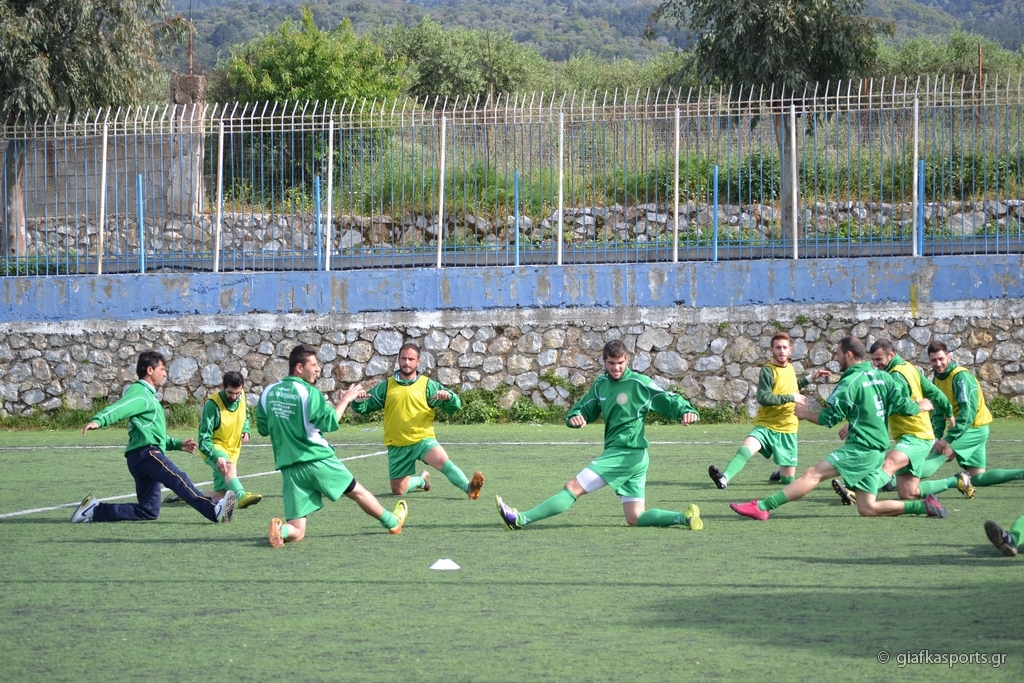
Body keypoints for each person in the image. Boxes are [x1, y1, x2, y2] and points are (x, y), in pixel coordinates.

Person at [730, 336, 948, 521]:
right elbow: (903, 406)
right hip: (877, 450)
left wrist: (804, 414)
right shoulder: (883, 377)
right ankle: (923, 506)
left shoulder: (849, 382)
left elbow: (829, 418)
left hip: (860, 449)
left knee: (813, 474)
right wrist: (920, 406)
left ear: (849, 355)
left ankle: (762, 506)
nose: (835, 358)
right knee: (867, 508)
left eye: (838, 354)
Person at [496, 339, 703, 531]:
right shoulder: (601, 384)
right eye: (611, 363)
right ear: (604, 361)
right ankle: (684, 518)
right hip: (632, 456)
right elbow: (583, 409)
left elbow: (668, 398)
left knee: (573, 487)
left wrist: (687, 411)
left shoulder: (639, 383)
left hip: (625, 453)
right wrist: (575, 417)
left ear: (627, 360)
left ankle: (520, 519)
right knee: (635, 517)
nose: (616, 367)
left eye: (620, 363)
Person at [258, 344, 408, 547]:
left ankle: (281, 530)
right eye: (313, 364)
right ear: (299, 368)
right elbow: (330, 422)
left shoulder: (268, 392)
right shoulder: (308, 392)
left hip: (290, 468)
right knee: (358, 492)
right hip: (317, 459)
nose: (318, 369)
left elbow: (263, 429)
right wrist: (346, 399)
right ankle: (392, 522)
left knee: (297, 531)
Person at [72, 351, 236, 524]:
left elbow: (152, 434)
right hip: (147, 455)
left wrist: (177, 444)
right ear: (150, 370)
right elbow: (121, 407)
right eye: (162, 369)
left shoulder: (148, 396)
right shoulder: (141, 392)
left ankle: (94, 510)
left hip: (139, 457)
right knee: (178, 478)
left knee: (149, 510)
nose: (165, 373)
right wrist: (99, 420)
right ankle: (213, 510)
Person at [834, 339, 966, 505]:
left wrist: (856, 422)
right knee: (908, 493)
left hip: (916, 436)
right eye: (873, 360)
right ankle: (957, 481)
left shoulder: (895, 376)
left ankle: (854, 491)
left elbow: (890, 405)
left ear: (891, 355)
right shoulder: (908, 367)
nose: (875, 364)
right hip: (914, 435)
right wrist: (949, 411)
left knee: (888, 464)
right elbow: (933, 391)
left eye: (879, 359)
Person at [350, 342, 483, 499]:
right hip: (397, 444)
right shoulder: (386, 386)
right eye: (403, 358)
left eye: (411, 359)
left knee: (443, 461)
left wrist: (449, 398)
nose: (407, 362)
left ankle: (468, 487)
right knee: (398, 490)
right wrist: (358, 401)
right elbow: (363, 408)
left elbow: (455, 406)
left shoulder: (428, 385)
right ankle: (421, 480)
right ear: (398, 360)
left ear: (418, 362)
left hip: (422, 440)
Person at [708, 332, 829, 489]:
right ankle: (724, 478)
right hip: (766, 425)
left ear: (790, 350)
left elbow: (791, 387)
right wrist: (791, 398)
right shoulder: (768, 370)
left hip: (788, 428)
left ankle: (780, 473)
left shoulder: (790, 368)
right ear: (771, 350)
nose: (781, 351)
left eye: (784, 347)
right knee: (746, 448)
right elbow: (764, 398)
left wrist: (811, 377)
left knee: (788, 481)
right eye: (778, 348)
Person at [927, 340, 1024, 491]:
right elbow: (938, 412)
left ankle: (894, 482)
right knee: (977, 478)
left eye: (941, 359)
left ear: (949, 357)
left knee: (940, 453)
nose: (938, 363)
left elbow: (968, 414)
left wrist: (947, 439)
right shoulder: (937, 379)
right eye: (934, 360)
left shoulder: (961, 377)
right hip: (971, 428)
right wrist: (937, 437)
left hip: (973, 428)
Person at [165, 371, 263, 509]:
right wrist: (217, 456)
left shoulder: (241, 396)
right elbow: (204, 440)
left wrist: (246, 429)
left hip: (233, 451)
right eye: (230, 393)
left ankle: (184, 493)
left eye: (237, 393)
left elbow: (245, 413)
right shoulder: (212, 405)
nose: (234, 397)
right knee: (229, 467)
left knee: (221, 496)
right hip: (214, 449)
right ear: (223, 386)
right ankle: (242, 496)